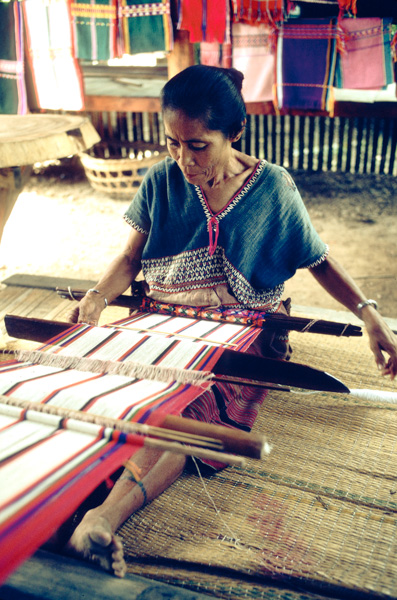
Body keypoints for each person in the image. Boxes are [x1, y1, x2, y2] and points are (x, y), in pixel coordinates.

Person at [62, 65, 397, 577]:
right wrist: (96, 298)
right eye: (172, 142)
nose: (183, 158)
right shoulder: (161, 181)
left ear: (235, 133)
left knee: (191, 406)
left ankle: (103, 517)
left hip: (246, 329)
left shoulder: (272, 189)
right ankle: (64, 485)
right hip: (165, 320)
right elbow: (131, 259)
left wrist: (369, 316)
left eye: (198, 145)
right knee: (111, 390)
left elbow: (318, 260)